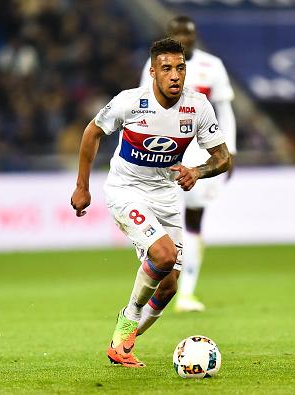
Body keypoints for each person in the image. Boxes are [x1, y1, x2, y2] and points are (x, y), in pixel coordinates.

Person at [70, 38, 231, 368]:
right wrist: (81, 187)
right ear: (153, 71)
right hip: (125, 190)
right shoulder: (131, 102)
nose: (175, 75)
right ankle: (127, 322)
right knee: (164, 254)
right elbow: (92, 132)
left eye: (181, 68)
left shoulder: (198, 107)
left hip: (166, 196)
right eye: (167, 68)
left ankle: (121, 346)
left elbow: (223, 157)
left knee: (170, 285)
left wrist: (197, 172)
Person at [139, 15, 237, 313]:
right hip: (163, 154)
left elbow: (225, 110)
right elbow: (143, 105)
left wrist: (228, 151)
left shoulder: (212, 66)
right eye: (177, 32)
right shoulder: (153, 66)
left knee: (193, 220)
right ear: (168, 35)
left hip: (199, 155)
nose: (184, 37)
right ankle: (157, 286)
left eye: (188, 33)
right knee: (158, 222)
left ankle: (187, 293)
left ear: (195, 36)